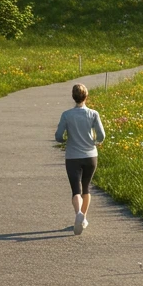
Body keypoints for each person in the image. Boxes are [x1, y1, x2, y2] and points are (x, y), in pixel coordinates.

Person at [54, 83, 105, 235]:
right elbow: (101, 135)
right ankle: (83, 218)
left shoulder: (67, 115)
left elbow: (58, 136)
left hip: (72, 156)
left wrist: (65, 141)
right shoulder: (93, 114)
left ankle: (78, 214)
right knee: (86, 187)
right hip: (90, 155)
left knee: (76, 189)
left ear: (73, 97)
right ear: (86, 96)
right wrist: (95, 142)